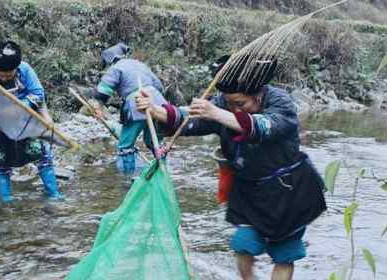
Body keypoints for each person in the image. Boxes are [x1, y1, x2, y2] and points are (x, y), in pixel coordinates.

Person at [136, 54, 327, 280]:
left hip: (287, 190)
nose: (234, 109)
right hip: (248, 190)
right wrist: (156, 110)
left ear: (259, 96)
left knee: (284, 253)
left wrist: (217, 113)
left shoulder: (280, 103)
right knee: (243, 245)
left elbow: (264, 127)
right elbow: (192, 120)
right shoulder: (223, 104)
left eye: (240, 104)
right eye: (228, 103)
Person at [0, 41, 64, 205]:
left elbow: (38, 93)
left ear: (16, 69)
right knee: (1, 163)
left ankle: (54, 195)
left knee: (42, 156)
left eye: (8, 75)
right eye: (1, 74)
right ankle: (7, 201)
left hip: (27, 121)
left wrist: (19, 108)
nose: (4, 78)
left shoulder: (25, 70)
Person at [90, 42, 166, 173]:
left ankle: (129, 177)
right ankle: (163, 171)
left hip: (137, 104)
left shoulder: (116, 68)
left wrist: (98, 108)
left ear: (111, 60)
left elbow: (103, 90)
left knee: (125, 145)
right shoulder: (140, 64)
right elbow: (159, 86)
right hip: (156, 103)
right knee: (154, 141)